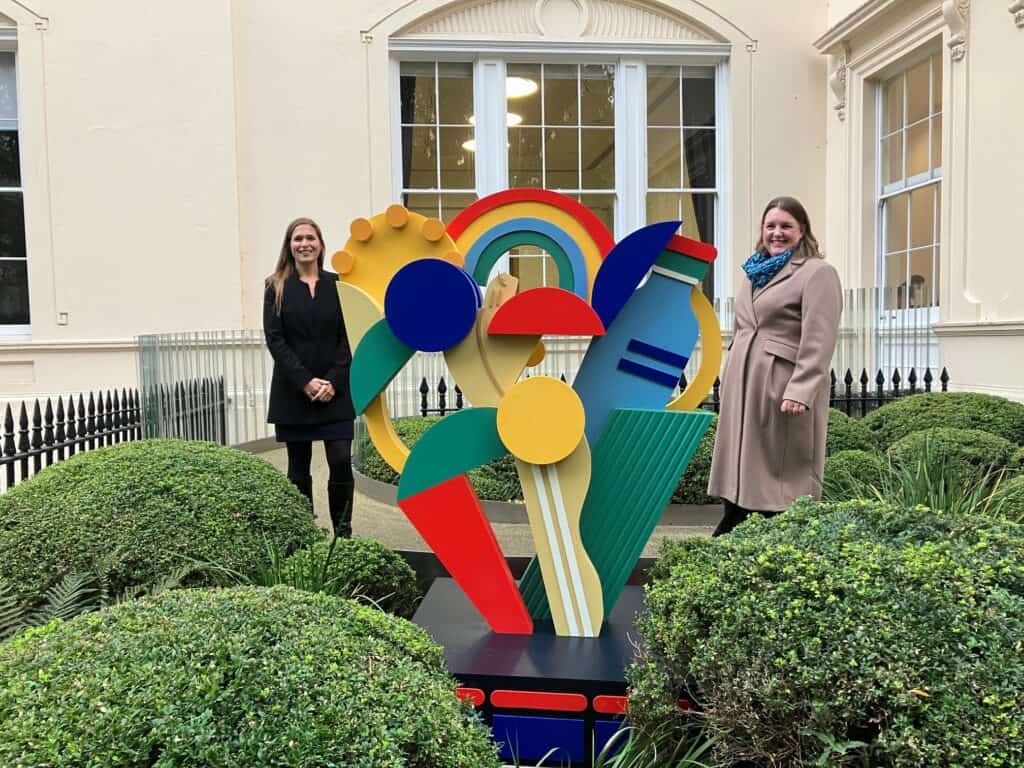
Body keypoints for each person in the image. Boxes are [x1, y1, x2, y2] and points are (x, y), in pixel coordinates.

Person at [707, 196, 842, 536]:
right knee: (741, 468)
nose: (777, 233)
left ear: (802, 231)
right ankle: (736, 521)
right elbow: (744, 328)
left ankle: (768, 535)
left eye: (786, 226)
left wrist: (801, 389)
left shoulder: (817, 273)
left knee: (777, 472)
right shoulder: (755, 272)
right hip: (744, 384)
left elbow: (819, 338)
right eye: (771, 226)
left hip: (781, 385)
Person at [264, 217, 356, 537]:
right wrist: (306, 381)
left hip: (336, 392)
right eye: (297, 238)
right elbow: (275, 340)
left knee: (342, 460)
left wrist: (333, 380)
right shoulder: (275, 286)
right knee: (298, 467)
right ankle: (305, 534)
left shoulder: (339, 285)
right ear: (289, 246)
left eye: (310, 238)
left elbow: (350, 337)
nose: (304, 244)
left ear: (320, 243)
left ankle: (343, 533)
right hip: (294, 393)